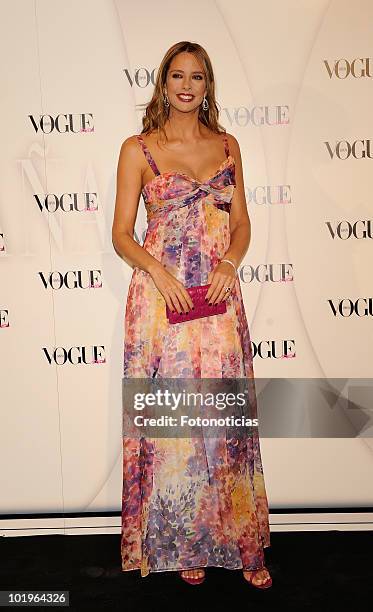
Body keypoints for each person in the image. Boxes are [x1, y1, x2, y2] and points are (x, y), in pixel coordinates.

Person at [112, 40, 272, 588]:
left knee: (225, 420)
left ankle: (245, 546)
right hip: (163, 302)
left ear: (208, 86)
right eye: (177, 75)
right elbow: (121, 235)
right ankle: (185, 542)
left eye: (197, 77)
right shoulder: (139, 148)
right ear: (163, 82)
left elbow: (244, 222)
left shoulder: (228, 146)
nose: (186, 85)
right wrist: (158, 272)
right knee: (176, 423)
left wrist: (230, 260)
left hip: (219, 298)